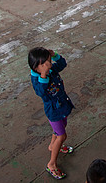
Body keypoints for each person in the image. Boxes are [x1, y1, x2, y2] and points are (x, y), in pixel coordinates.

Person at [28, 47, 75, 180]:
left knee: (61, 128)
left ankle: (52, 146)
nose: (49, 65)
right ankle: (52, 164)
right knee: (62, 136)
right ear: (35, 67)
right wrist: (44, 75)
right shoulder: (38, 79)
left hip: (62, 107)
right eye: (44, 64)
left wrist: (55, 55)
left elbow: (62, 64)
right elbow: (41, 92)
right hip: (54, 112)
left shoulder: (50, 69)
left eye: (49, 61)